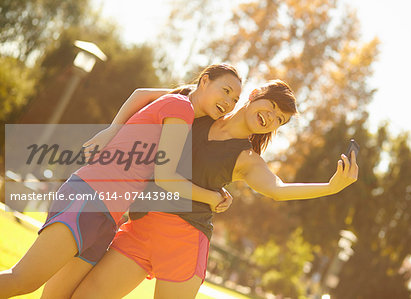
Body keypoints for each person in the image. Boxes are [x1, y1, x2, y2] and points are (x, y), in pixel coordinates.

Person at [71, 80, 359, 299]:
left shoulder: (247, 159)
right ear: (256, 95)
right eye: (271, 107)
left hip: (184, 242)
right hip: (142, 225)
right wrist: (112, 129)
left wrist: (332, 187)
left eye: (279, 120)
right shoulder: (198, 110)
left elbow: (277, 189)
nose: (271, 118)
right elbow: (143, 97)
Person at [0, 64, 242, 298]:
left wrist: (114, 129)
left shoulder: (182, 110)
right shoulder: (181, 108)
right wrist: (212, 197)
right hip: (90, 198)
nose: (229, 102)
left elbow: (141, 94)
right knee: (23, 280)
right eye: (226, 91)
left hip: (109, 215)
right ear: (205, 80)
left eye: (235, 100)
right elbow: (166, 175)